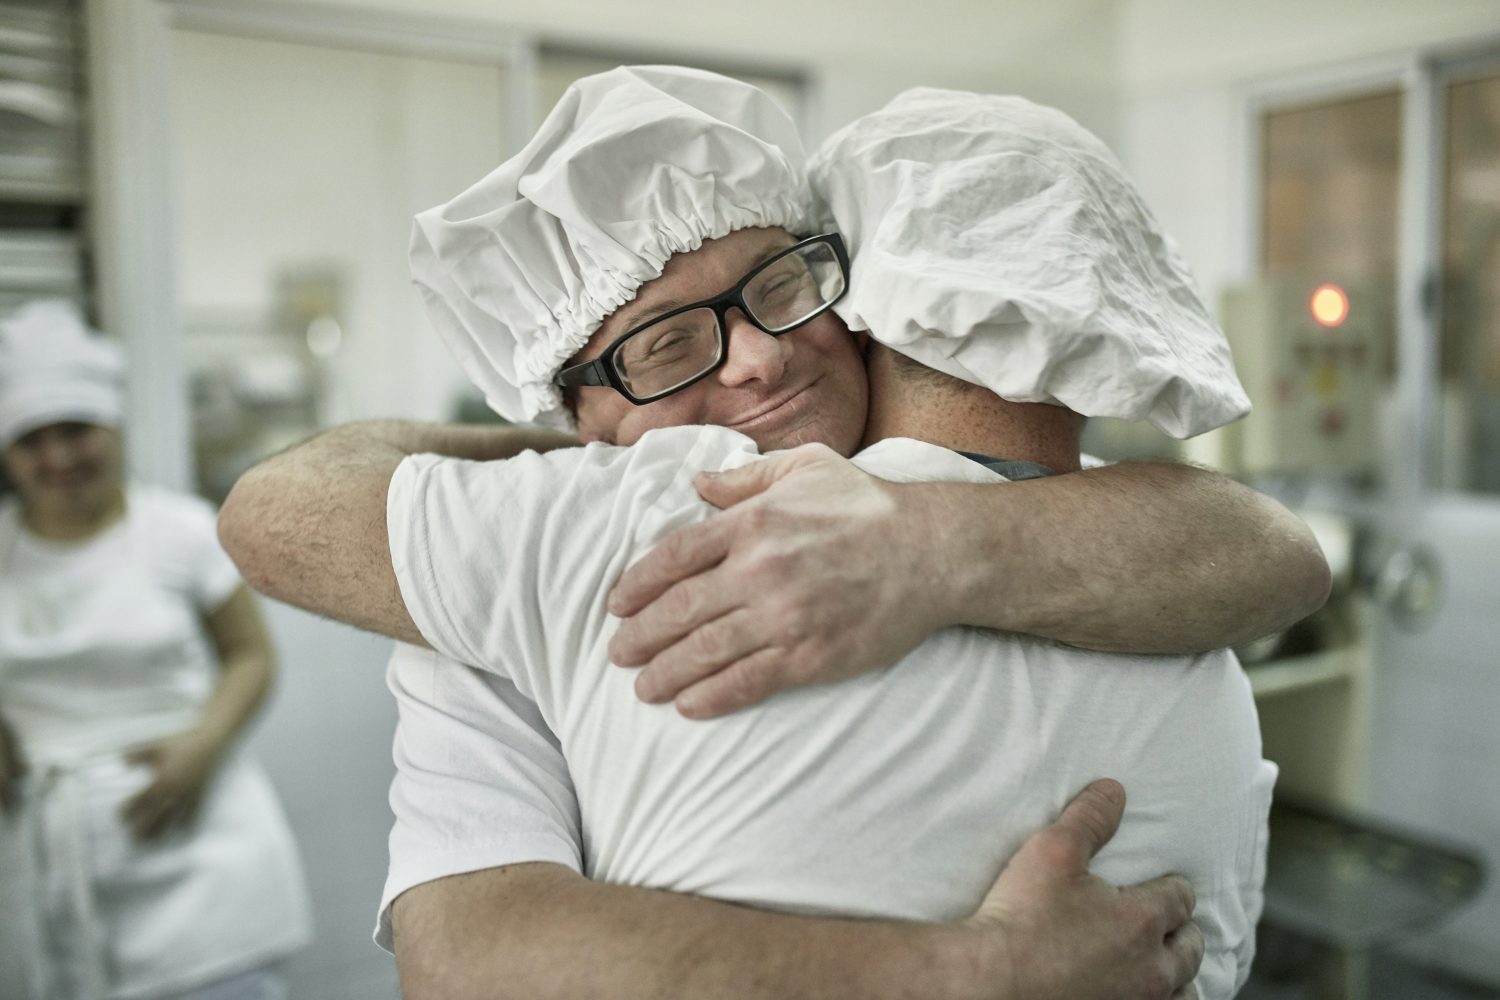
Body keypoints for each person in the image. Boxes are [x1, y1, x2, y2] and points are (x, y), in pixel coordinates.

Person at [219, 68, 1326, 999]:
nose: (756, 359)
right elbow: (469, 957)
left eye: (778, 288)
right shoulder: (526, 568)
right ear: (579, 416)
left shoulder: (1079, 523)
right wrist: (965, 973)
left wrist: (927, 547)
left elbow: (1283, 556)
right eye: (665, 348)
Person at [0, 301, 312, 1000]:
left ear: (110, 424)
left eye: (75, 431)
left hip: (197, 854)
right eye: (31, 440)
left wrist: (202, 748)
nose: (58, 459)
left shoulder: (180, 530)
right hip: (49, 858)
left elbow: (251, 656)